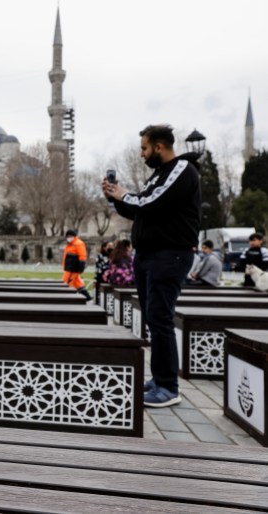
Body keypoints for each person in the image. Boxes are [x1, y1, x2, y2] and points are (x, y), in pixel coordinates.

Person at [103, 124, 201, 408]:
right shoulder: (159, 176)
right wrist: (115, 198)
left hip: (169, 255)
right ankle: (159, 379)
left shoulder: (182, 170)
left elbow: (148, 202)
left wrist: (124, 195)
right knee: (154, 319)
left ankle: (168, 387)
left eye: (144, 148)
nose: (142, 154)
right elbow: (139, 209)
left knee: (161, 319)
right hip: (149, 256)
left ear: (159, 146)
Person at [62, 229, 91, 300]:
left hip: (73, 268)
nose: (69, 237)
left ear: (74, 236)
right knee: (77, 283)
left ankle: (64, 298)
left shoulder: (78, 243)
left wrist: (81, 266)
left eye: (70, 236)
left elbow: (82, 255)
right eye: (67, 236)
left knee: (66, 283)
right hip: (70, 267)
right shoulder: (70, 244)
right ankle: (87, 297)